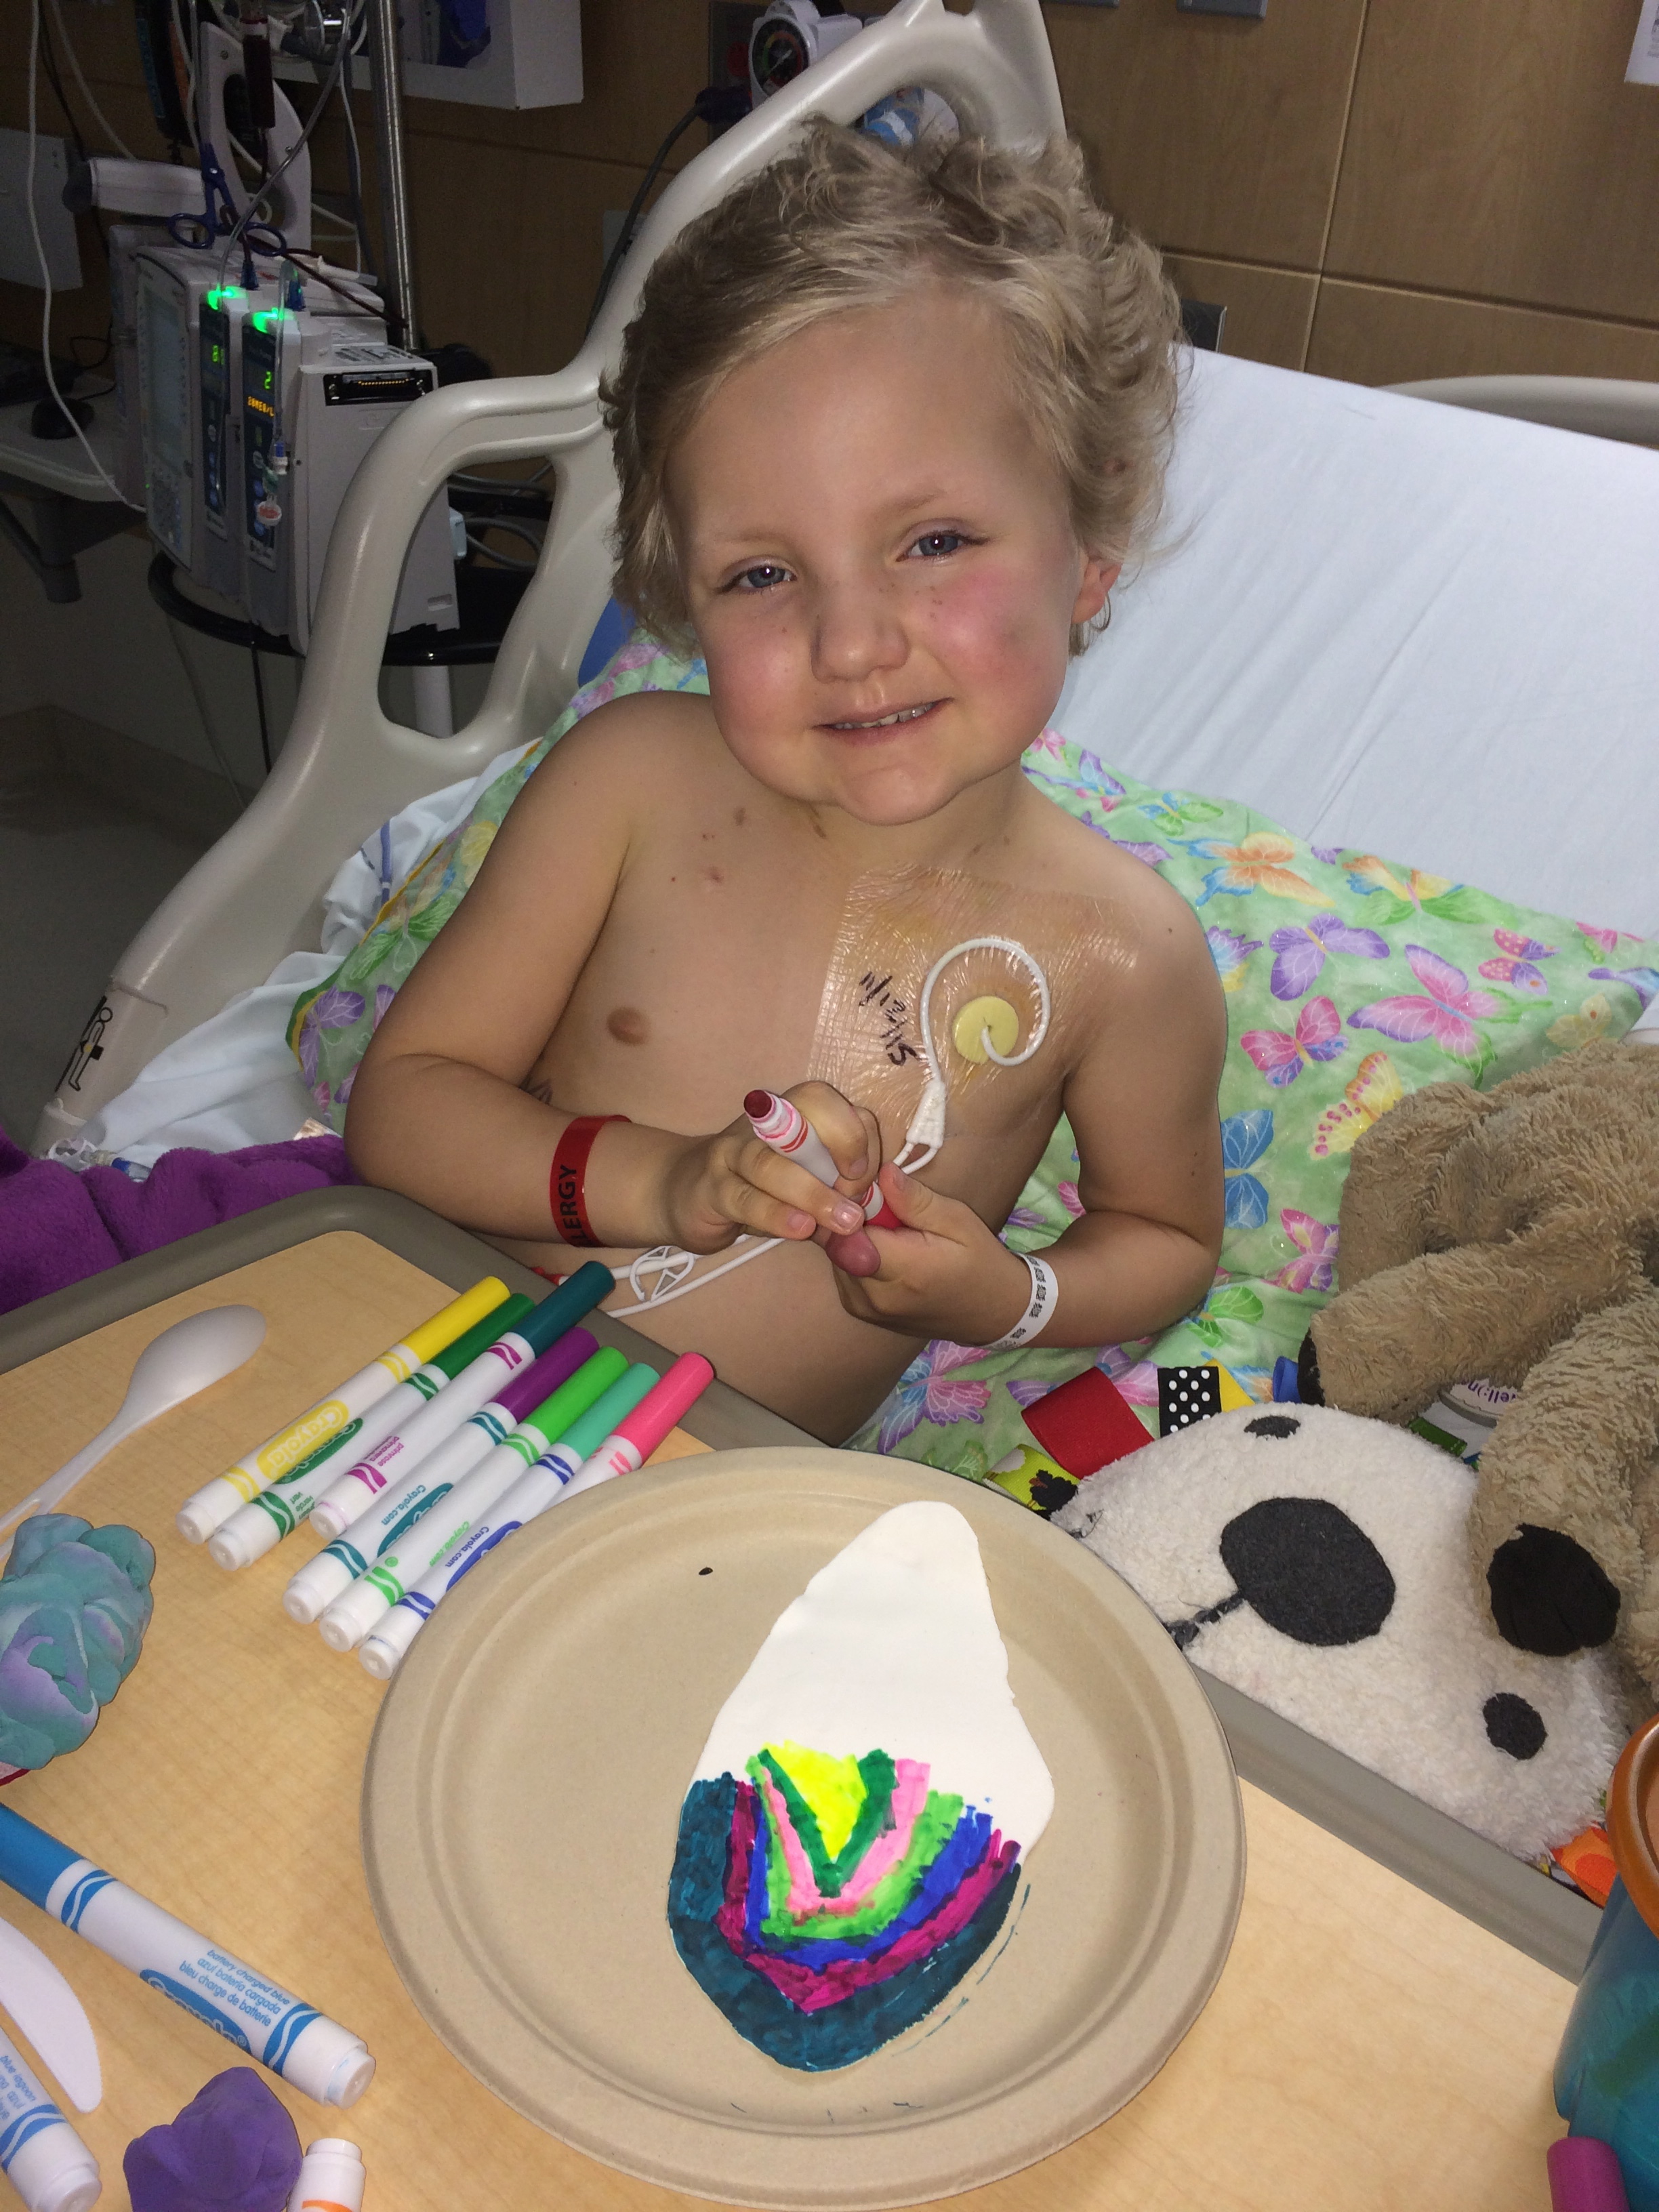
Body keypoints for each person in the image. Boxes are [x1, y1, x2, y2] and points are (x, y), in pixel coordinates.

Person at [346, 123, 1225, 1443]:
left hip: (728, 1501)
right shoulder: (629, 785)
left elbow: (1166, 1240)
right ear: (682, 592)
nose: (851, 644)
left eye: (934, 541)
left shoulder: (1125, 952)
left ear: (1090, 548)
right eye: (762, 574)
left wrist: (1012, 1296)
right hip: (419, 1375)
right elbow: (406, 1102)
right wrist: (664, 1182)